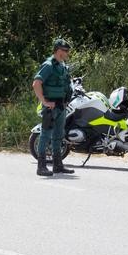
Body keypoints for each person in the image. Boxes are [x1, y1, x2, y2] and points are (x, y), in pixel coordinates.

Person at [32, 38, 74, 177]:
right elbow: (36, 83)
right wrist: (43, 101)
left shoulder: (62, 66)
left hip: (61, 105)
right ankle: (41, 166)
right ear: (58, 51)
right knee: (45, 135)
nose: (67, 53)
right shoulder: (49, 65)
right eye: (65, 50)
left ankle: (58, 165)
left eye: (68, 51)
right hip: (50, 106)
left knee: (58, 135)